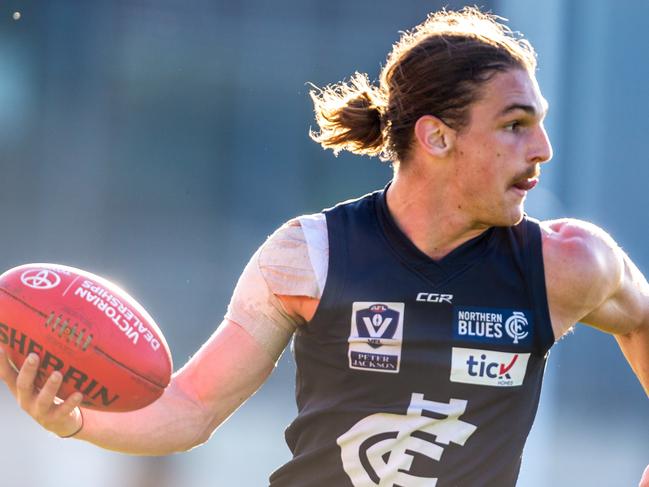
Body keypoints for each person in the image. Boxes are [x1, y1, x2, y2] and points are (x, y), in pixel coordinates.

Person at [0, 7, 647, 486]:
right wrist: (77, 424)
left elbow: (641, 319)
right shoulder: (308, 256)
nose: (541, 150)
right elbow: (192, 406)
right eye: (514, 125)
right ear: (436, 137)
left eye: (538, 124)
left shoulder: (565, 264)